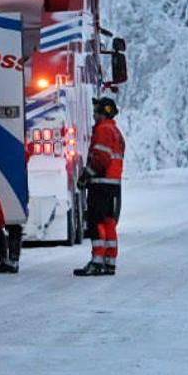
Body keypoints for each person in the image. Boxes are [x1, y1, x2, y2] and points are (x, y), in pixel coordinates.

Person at [75, 97, 125, 276]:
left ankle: (97, 261)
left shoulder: (103, 130)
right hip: (113, 184)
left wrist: (84, 177)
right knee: (109, 222)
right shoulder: (116, 131)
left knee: (96, 222)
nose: (93, 115)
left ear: (103, 112)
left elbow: (100, 159)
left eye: (96, 111)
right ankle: (109, 262)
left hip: (101, 184)